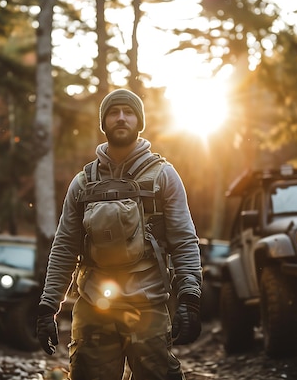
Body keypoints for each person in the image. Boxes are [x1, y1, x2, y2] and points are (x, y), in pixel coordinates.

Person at [36, 89, 202, 380]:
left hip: (148, 304)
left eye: (129, 112)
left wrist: (189, 297)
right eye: (114, 113)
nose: (121, 118)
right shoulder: (83, 182)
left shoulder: (163, 176)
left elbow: (183, 239)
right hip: (93, 307)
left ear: (140, 121)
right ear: (103, 123)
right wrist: (48, 306)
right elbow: (64, 247)